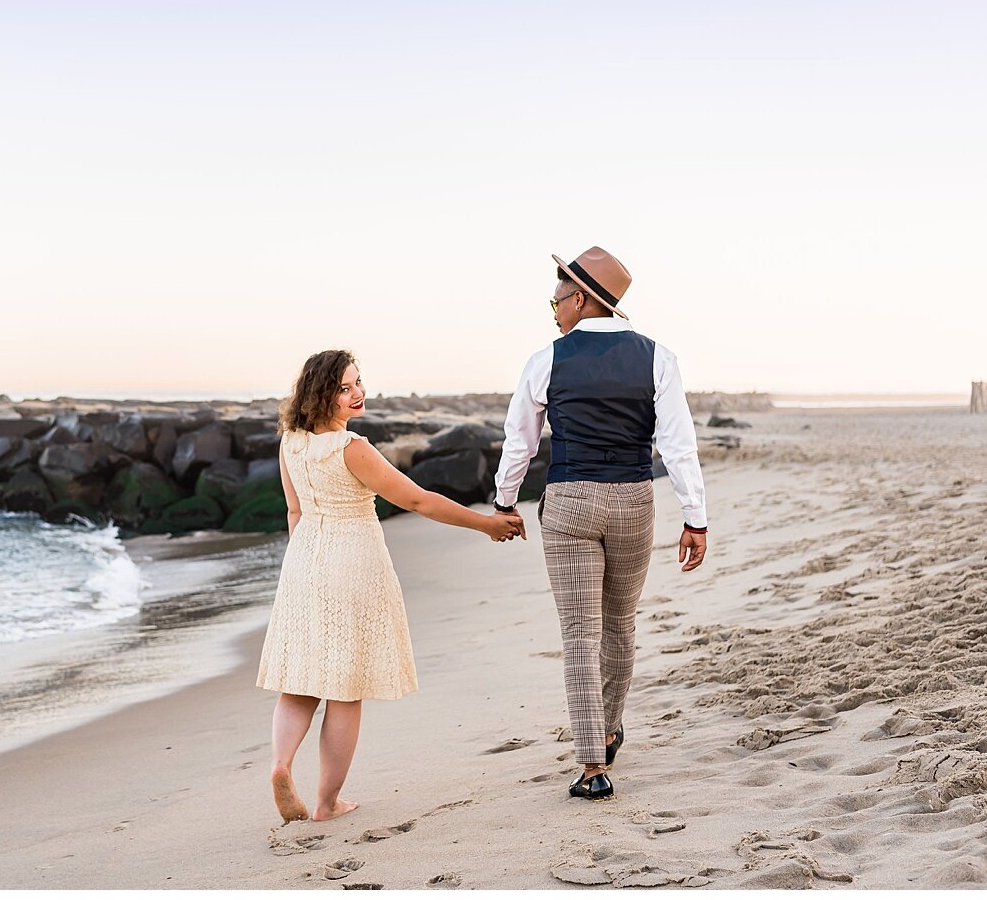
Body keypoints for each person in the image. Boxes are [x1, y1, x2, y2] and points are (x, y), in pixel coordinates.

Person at [256, 349, 523, 823]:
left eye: (358, 382)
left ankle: (281, 764)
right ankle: (326, 802)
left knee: (299, 681)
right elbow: (418, 500)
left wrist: (304, 565)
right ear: (323, 394)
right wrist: (485, 524)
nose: (358, 393)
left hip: (303, 564)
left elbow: (294, 512)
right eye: (344, 387)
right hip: (352, 563)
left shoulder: (291, 443)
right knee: (345, 689)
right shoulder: (352, 448)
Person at [492, 247, 708, 802]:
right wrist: (695, 518)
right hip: (635, 500)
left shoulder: (545, 361)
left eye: (558, 298)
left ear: (582, 298)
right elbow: (678, 445)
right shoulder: (658, 357)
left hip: (569, 502)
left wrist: (504, 501)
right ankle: (609, 727)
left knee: (579, 634)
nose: (554, 309)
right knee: (620, 623)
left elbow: (521, 441)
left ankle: (593, 765)